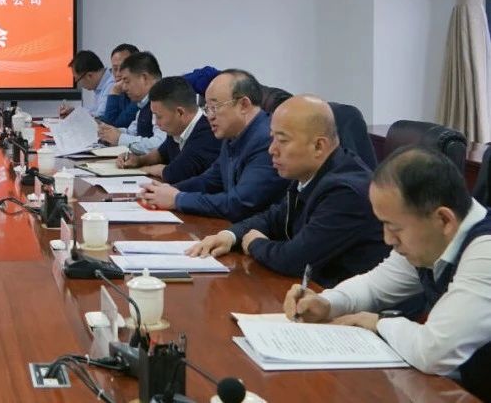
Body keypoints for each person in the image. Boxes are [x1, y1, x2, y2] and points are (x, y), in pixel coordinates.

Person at [285, 147, 491, 400]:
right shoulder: (431, 239)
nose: (387, 239)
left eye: (394, 228)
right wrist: (327, 303)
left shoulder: (486, 253)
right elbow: (375, 286)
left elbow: (434, 351)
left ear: (444, 220)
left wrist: (379, 323)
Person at [186, 95, 388, 287]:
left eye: (282, 141)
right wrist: (229, 236)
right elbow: (273, 218)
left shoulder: (345, 192)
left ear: (319, 146)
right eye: (272, 138)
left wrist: (255, 243)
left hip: (349, 304)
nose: (271, 150)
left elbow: (295, 259)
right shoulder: (311, 172)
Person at [142, 69, 288, 222]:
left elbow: (239, 204)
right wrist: (167, 191)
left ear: (244, 105)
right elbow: (210, 180)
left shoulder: (267, 140)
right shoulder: (232, 135)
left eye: (215, 107)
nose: (209, 116)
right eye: (207, 108)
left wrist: (178, 199)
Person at [116, 76, 220, 184]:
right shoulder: (177, 128)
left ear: (180, 113)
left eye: (159, 116)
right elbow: (161, 154)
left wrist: (146, 169)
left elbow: (174, 173)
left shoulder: (207, 133)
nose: (156, 123)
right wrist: (139, 160)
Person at [97, 51, 167, 153]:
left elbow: (160, 144)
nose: (124, 88)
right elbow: (133, 132)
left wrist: (119, 138)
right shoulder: (143, 104)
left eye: (127, 81)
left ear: (144, 78)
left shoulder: (164, 100)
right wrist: (110, 132)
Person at [59, 50, 114, 119]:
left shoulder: (111, 85)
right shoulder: (101, 84)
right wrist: (74, 112)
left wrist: (75, 115)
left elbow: (99, 117)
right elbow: (95, 110)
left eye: (78, 80)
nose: (79, 84)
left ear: (89, 75)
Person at [102, 44, 140, 128]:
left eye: (123, 68)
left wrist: (114, 91)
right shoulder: (121, 90)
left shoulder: (140, 93)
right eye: (115, 69)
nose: (118, 74)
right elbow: (108, 125)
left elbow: (115, 126)